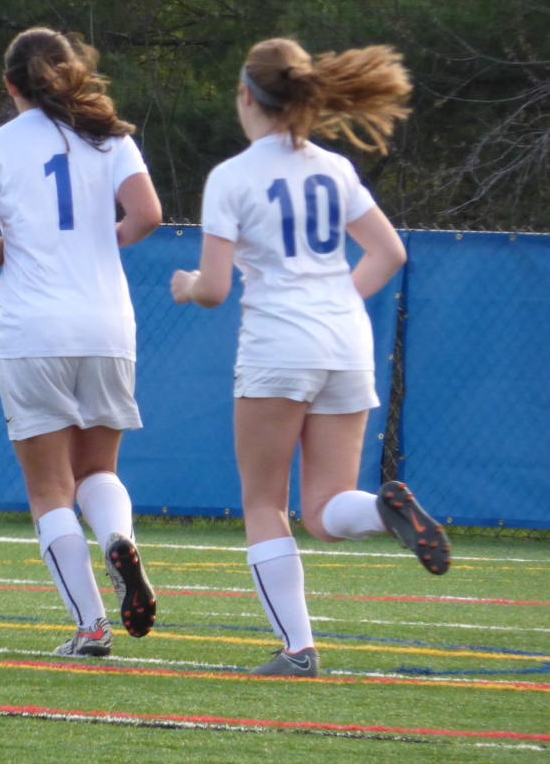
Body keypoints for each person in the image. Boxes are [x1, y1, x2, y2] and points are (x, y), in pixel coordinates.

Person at [170, 37, 450, 679]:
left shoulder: (233, 177)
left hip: (279, 344)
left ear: (247, 95)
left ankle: (297, 650)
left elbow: (212, 289)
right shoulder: (334, 168)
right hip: (346, 342)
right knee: (324, 511)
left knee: (263, 501)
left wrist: (186, 286)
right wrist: (333, 302)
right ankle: (383, 509)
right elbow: (390, 253)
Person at [0, 27, 162, 659]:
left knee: (50, 488)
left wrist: (12, 245)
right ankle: (118, 539)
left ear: (10, 85)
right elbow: (148, 214)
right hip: (107, 324)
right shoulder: (110, 136)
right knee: (99, 469)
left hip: (33, 330)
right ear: (69, 75)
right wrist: (99, 241)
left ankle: (91, 627)